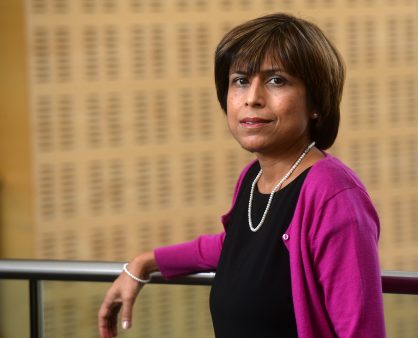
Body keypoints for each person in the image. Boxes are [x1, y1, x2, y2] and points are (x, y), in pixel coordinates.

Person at [98, 13, 386, 338]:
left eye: (277, 80)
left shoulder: (334, 196)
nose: (252, 98)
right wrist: (144, 262)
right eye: (240, 80)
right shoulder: (253, 178)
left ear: (316, 101)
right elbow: (241, 249)